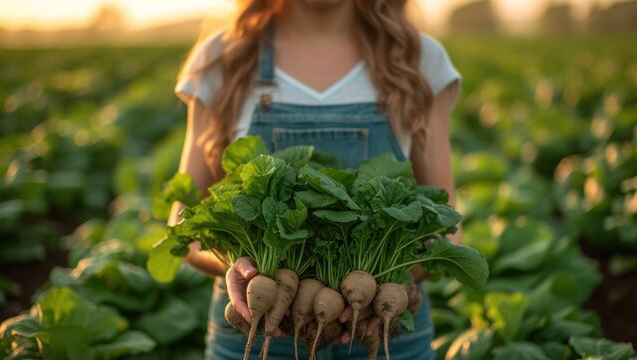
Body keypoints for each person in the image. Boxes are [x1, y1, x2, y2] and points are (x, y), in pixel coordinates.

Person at [169, 0, 462, 359]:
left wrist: (384, 287)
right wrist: (235, 267)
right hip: (257, 328)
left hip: (384, 335)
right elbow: (182, 219)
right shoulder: (223, 56)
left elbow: (446, 226)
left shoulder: (418, 58)